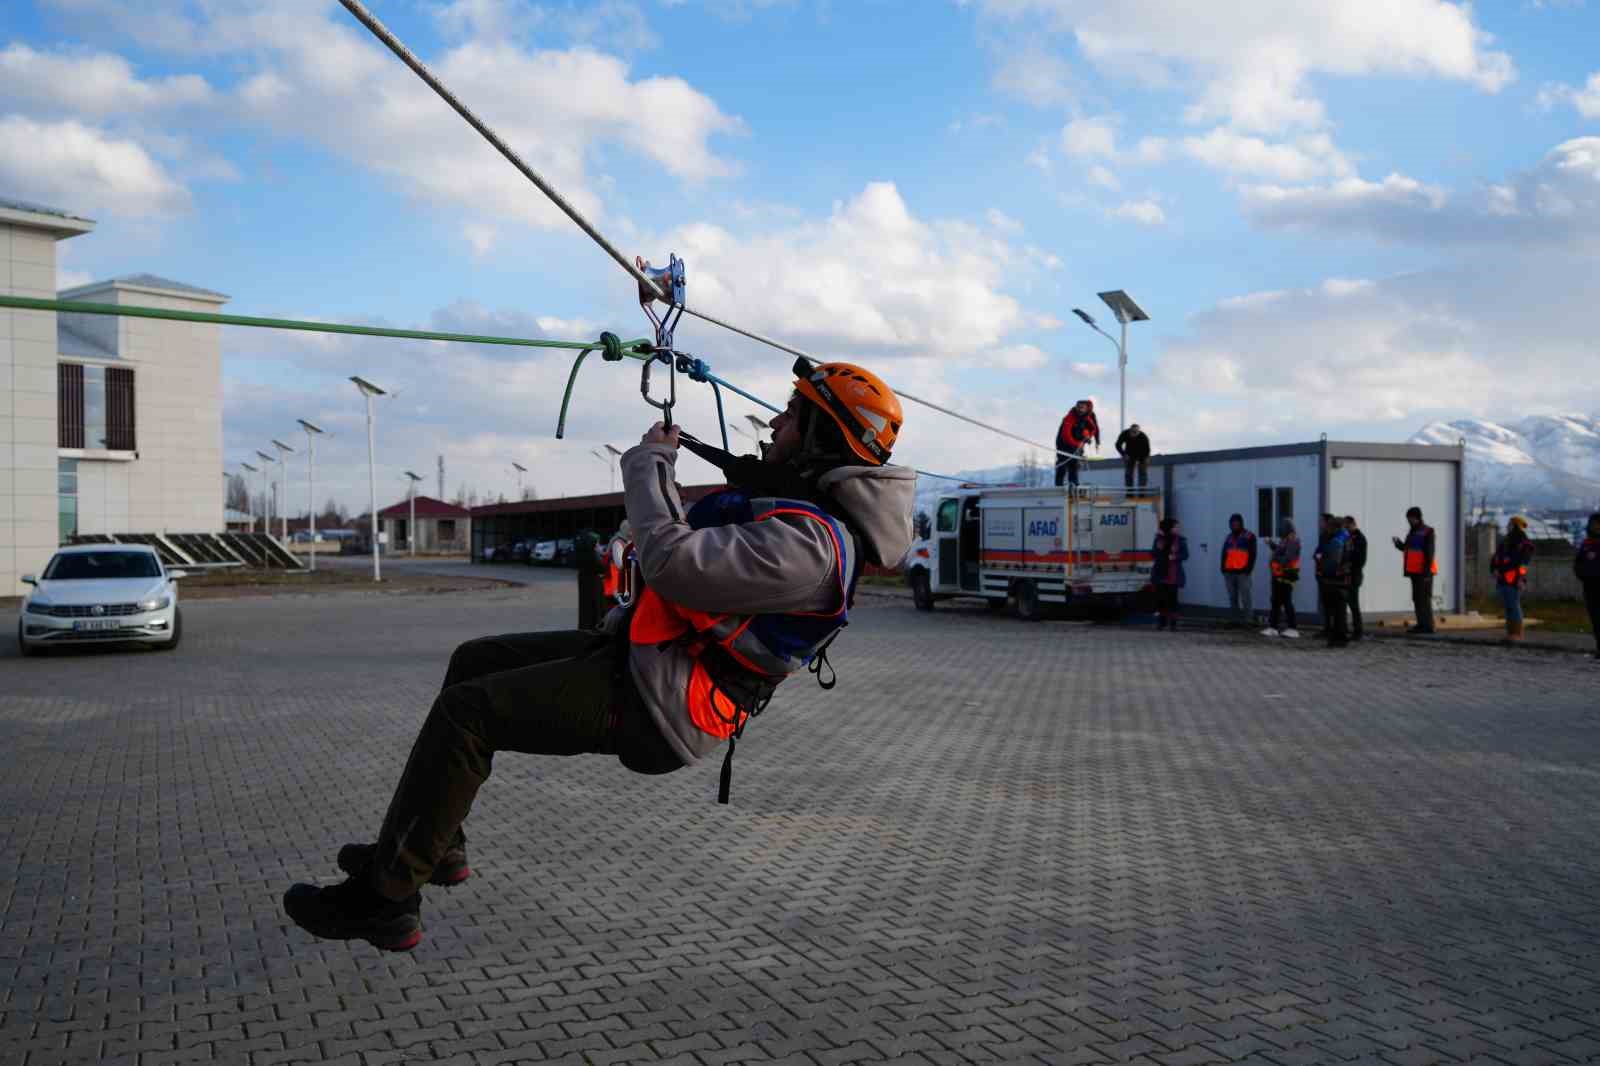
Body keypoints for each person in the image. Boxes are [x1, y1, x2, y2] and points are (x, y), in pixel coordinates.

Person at [281, 358, 916, 951]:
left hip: (662, 707)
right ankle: (428, 845)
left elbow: (670, 562)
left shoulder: (814, 548)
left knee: (467, 715)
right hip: (643, 660)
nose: (775, 423)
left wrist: (648, 464)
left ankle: (384, 900)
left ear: (820, 438)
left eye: (791, 414)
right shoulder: (800, 517)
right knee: (475, 659)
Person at [1392, 506, 1437, 634]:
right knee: (1417, 598)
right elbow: (1407, 548)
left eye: (1410, 518)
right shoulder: (1412, 532)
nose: (1408, 521)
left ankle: (1428, 626)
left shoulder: (1428, 531)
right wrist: (1398, 544)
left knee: (1424, 598)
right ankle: (1421, 624)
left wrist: (1427, 572)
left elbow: (1429, 553)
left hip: (1424, 572)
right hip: (1414, 571)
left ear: (1416, 517)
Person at [1492, 515, 1536, 644]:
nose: (1507, 527)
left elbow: (1523, 564)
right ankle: (1510, 633)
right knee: (1507, 607)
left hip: (1514, 579)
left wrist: (1520, 579)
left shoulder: (1525, 544)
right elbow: (1496, 558)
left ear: (1516, 527)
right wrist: (1494, 569)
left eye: (1510, 525)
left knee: (1514, 606)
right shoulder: (1505, 542)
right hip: (1502, 579)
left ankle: (1517, 633)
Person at [1315, 513, 1351, 648]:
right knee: (1338, 610)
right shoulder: (1344, 537)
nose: (1325, 528)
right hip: (1340, 578)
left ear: (1334, 528)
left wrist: (1323, 567)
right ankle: (1338, 636)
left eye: (1328, 526)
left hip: (1335, 579)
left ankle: (1339, 637)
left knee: (1337, 611)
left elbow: (1332, 561)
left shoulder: (1337, 541)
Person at [1261, 517, 1301, 638]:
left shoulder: (1293, 541)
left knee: (1286, 601)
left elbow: (1288, 558)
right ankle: (1273, 627)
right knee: (1276, 601)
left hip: (1287, 574)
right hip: (1278, 574)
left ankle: (1293, 628)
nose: (1280, 530)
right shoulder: (1285, 540)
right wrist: (1271, 544)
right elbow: (1279, 550)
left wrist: (1275, 559)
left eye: (1282, 528)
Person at [1219, 513, 1258, 627]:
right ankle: (1234, 620)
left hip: (1243, 572)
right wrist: (1222, 567)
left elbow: (1253, 554)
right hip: (1229, 572)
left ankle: (1249, 620)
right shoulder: (1228, 537)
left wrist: (1249, 569)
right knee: (1232, 597)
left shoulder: (1249, 536)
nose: (1234, 525)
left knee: (1246, 597)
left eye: (1236, 523)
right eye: (1232, 523)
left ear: (1241, 523)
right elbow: (1224, 553)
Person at [1151, 517, 1188, 630]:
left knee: (1172, 599)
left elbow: (1185, 555)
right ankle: (1161, 622)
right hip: (1160, 573)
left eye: (1178, 527)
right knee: (1161, 599)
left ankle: (1173, 623)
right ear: (1169, 527)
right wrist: (1160, 550)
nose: (1178, 529)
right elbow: (1153, 554)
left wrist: (1175, 557)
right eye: (1176, 527)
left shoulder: (1181, 540)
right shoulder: (1159, 539)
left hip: (1173, 574)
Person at [1054, 399, 1100, 488]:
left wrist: (1088, 437)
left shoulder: (1087, 417)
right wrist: (1077, 444)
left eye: (1082, 408)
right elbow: (1066, 435)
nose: (1079, 409)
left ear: (1086, 409)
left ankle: (1074, 488)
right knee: (1062, 466)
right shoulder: (1070, 417)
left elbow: (1094, 429)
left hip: (1077, 444)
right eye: (1078, 407)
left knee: (1074, 467)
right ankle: (1058, 488)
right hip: (1063, 445)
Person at [1575, 512, 1600, 661]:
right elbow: (1578, 563)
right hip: (1590, 588)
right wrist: (1583, 574)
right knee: (1596, 620)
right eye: (1594, 524)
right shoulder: (1586, 544)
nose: (1596, 527)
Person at [1343, 516, 1367, 641]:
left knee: (1353, 604)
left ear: (1353, 524)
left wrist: (1350, 564)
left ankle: (1358, 631)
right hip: (1347, 574)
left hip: (1354, 575)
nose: (1346, 529)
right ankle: (1350, 629)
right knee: (1347, 602)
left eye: (1347, 527)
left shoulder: (1360, 539)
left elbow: (1361, 560)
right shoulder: (1348, 538)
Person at [1114, 423, 1151, 490]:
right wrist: (1123, 454)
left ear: (1138, 432)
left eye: (1135, 433)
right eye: (1132, 432)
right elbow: (1117, 445)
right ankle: (1129, 493)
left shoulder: (1143, 437)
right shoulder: (1125, 434)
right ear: (1129, 431)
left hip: (1142, 455)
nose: (1133, 434)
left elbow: (1147, 450)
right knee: (1129, 474)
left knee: (1142, 473)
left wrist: (1146, 459)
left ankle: (1142, 493)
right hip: (1129, 455)